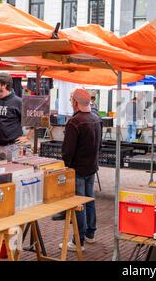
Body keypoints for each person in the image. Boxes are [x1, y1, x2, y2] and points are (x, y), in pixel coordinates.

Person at [58, 88, 102, 251]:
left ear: (75, 102)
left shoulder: (74, 121)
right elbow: (100, 145)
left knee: (79, 204)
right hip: (91, 166)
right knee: (89, 200)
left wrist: (67, 165)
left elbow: (67, 150)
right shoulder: (96, 118)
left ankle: (78, 241)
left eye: (71, 100)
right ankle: (90, 233)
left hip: (77, 168)